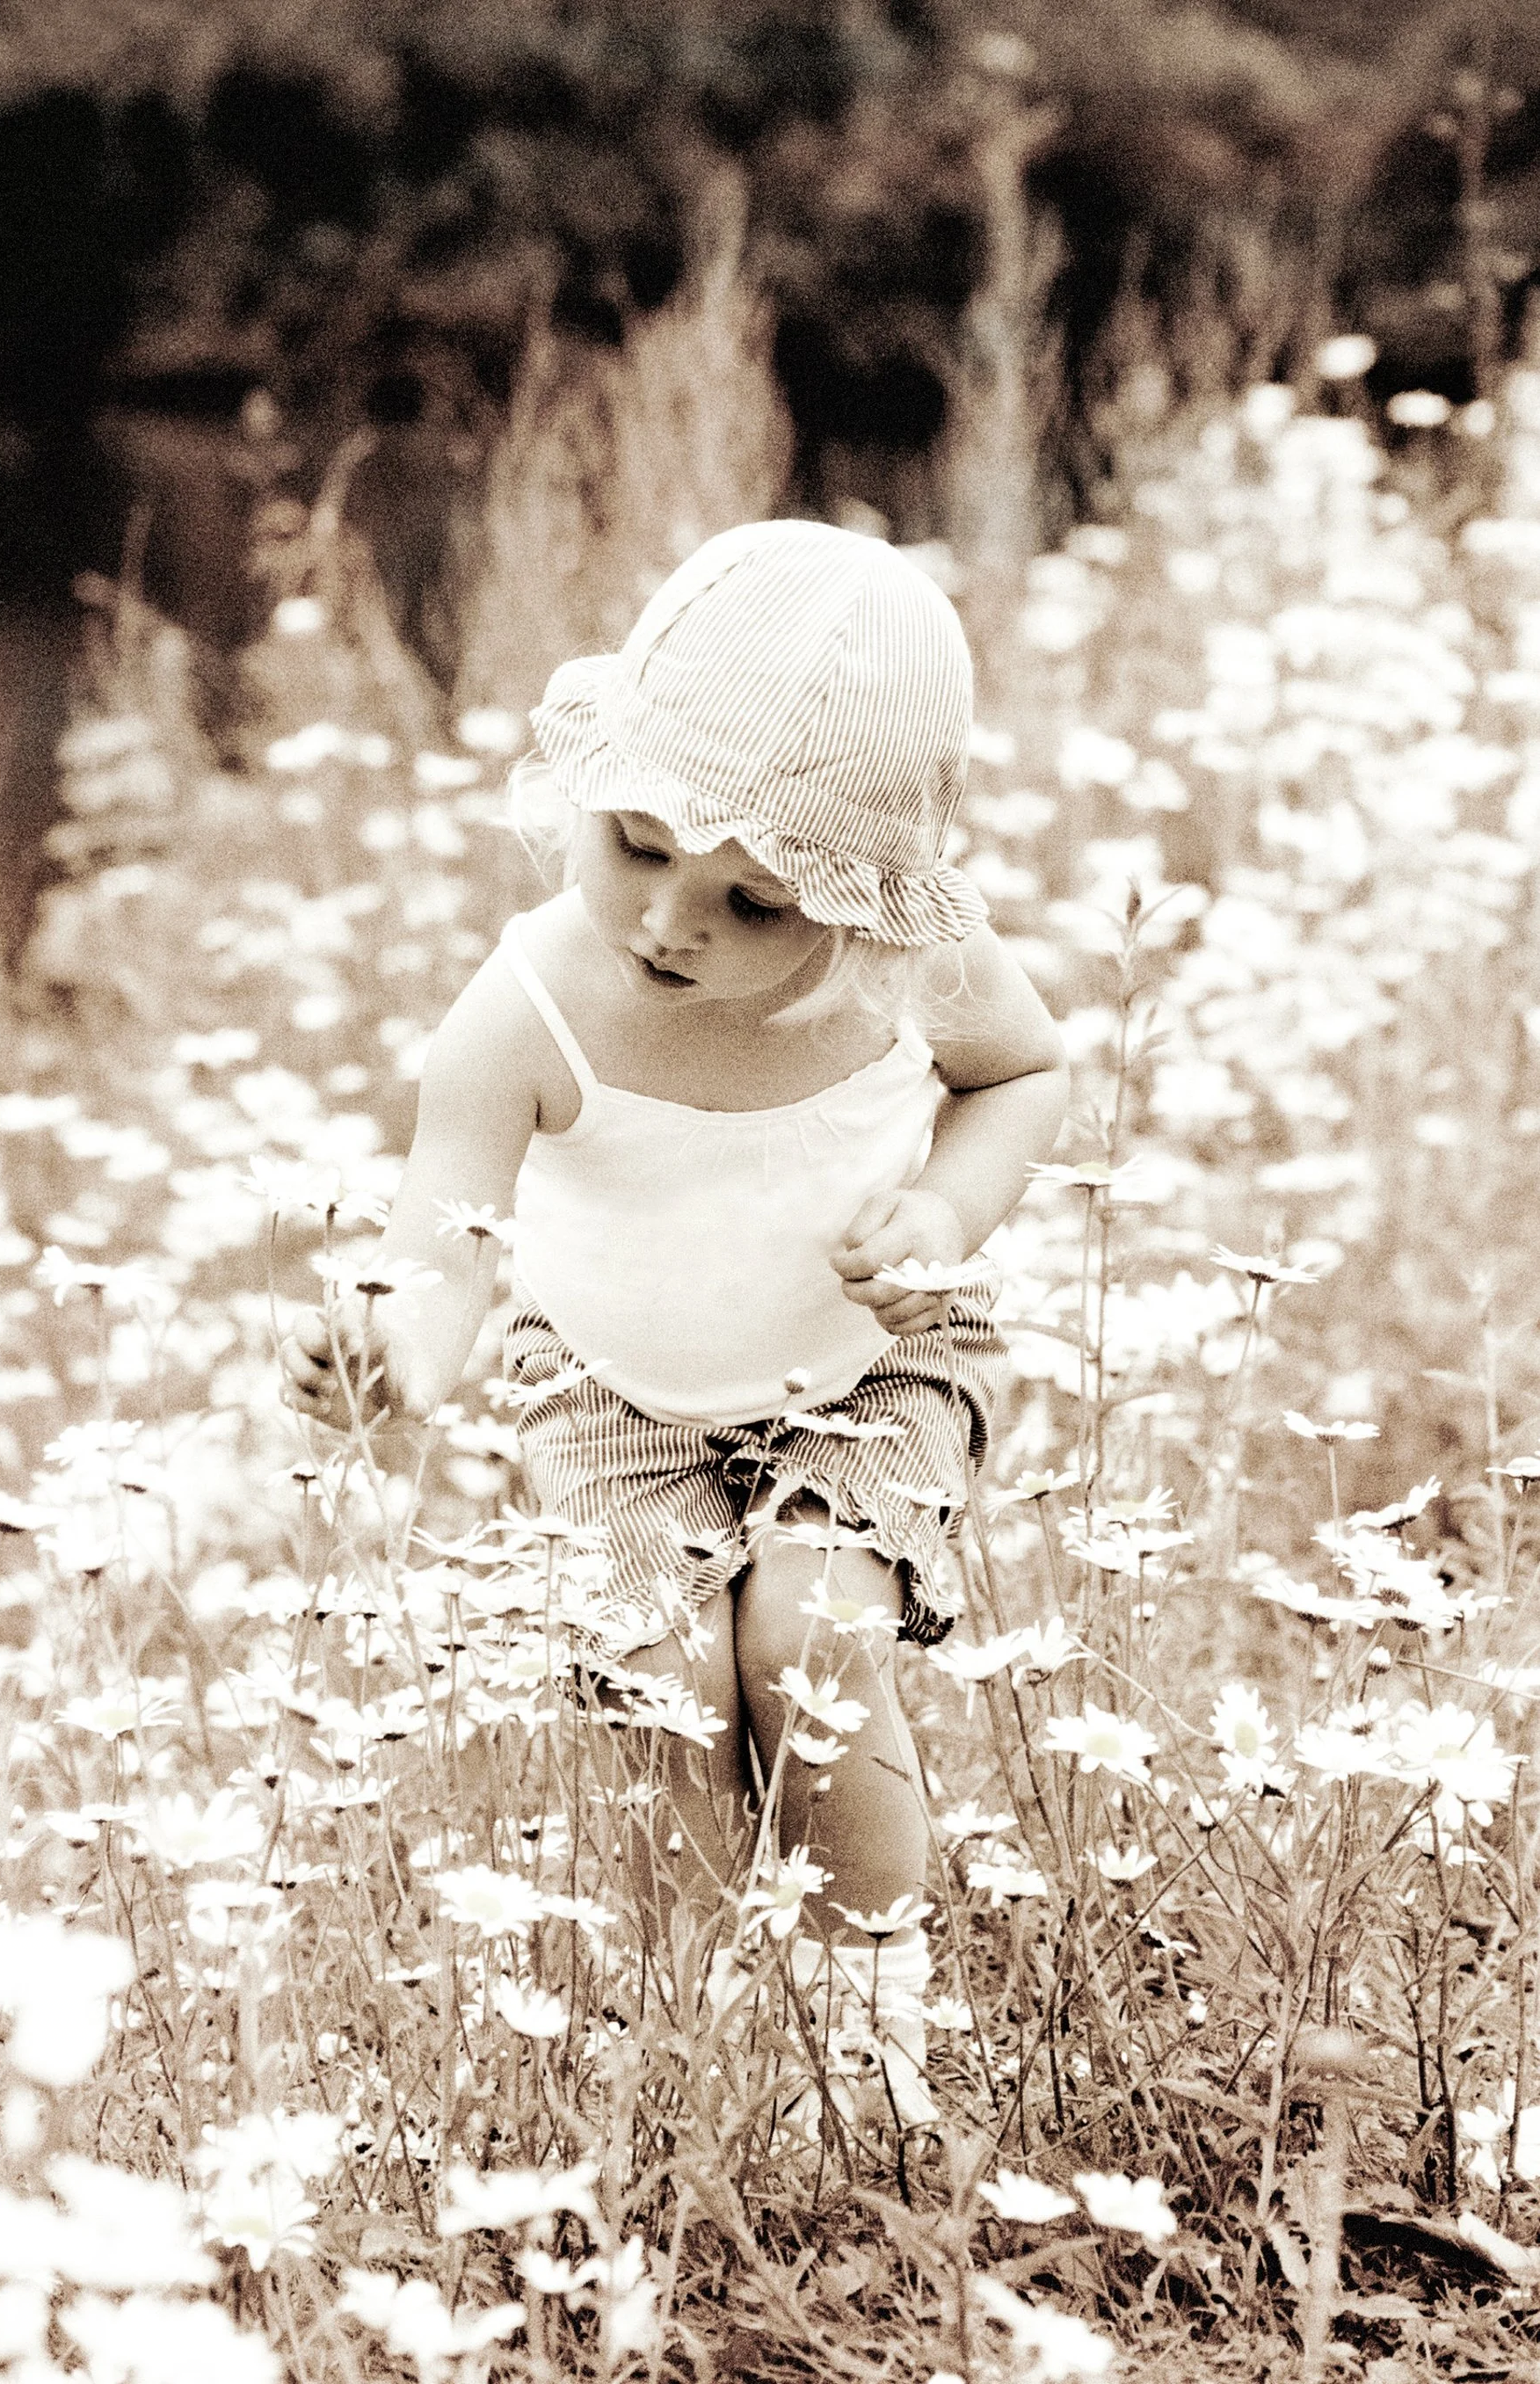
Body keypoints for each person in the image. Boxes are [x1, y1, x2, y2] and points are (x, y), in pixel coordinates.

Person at [281, 519, 1068, 2128]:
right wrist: (396, 1361)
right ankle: (710, 2018)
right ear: (590, 787)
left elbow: (1022, 1073)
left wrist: (943, 1217)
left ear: (862, 897)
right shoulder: (527, 1008)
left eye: (753, 903)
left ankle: (863, 2022)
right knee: (657, 1673)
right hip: (609, 1390)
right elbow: (447, 1231)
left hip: (872, 1363)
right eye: (634, 846)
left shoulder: (915, 966)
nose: (671, 922)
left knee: (809, 1633)